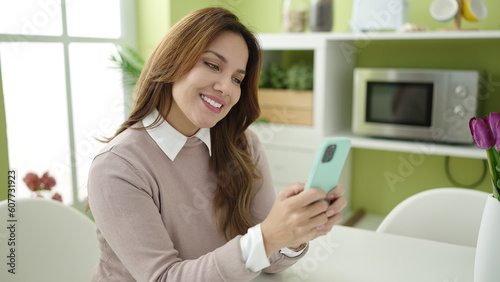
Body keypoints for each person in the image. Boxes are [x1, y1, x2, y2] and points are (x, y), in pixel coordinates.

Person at [87, 7, 346, 282]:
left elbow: (268, 263)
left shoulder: (243, 146)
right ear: (173, 60)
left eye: (237, 79)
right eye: (212, 65)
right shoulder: (117, 167)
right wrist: (267, 236)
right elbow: (164, 278)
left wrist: (292, 235)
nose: (226, 88)